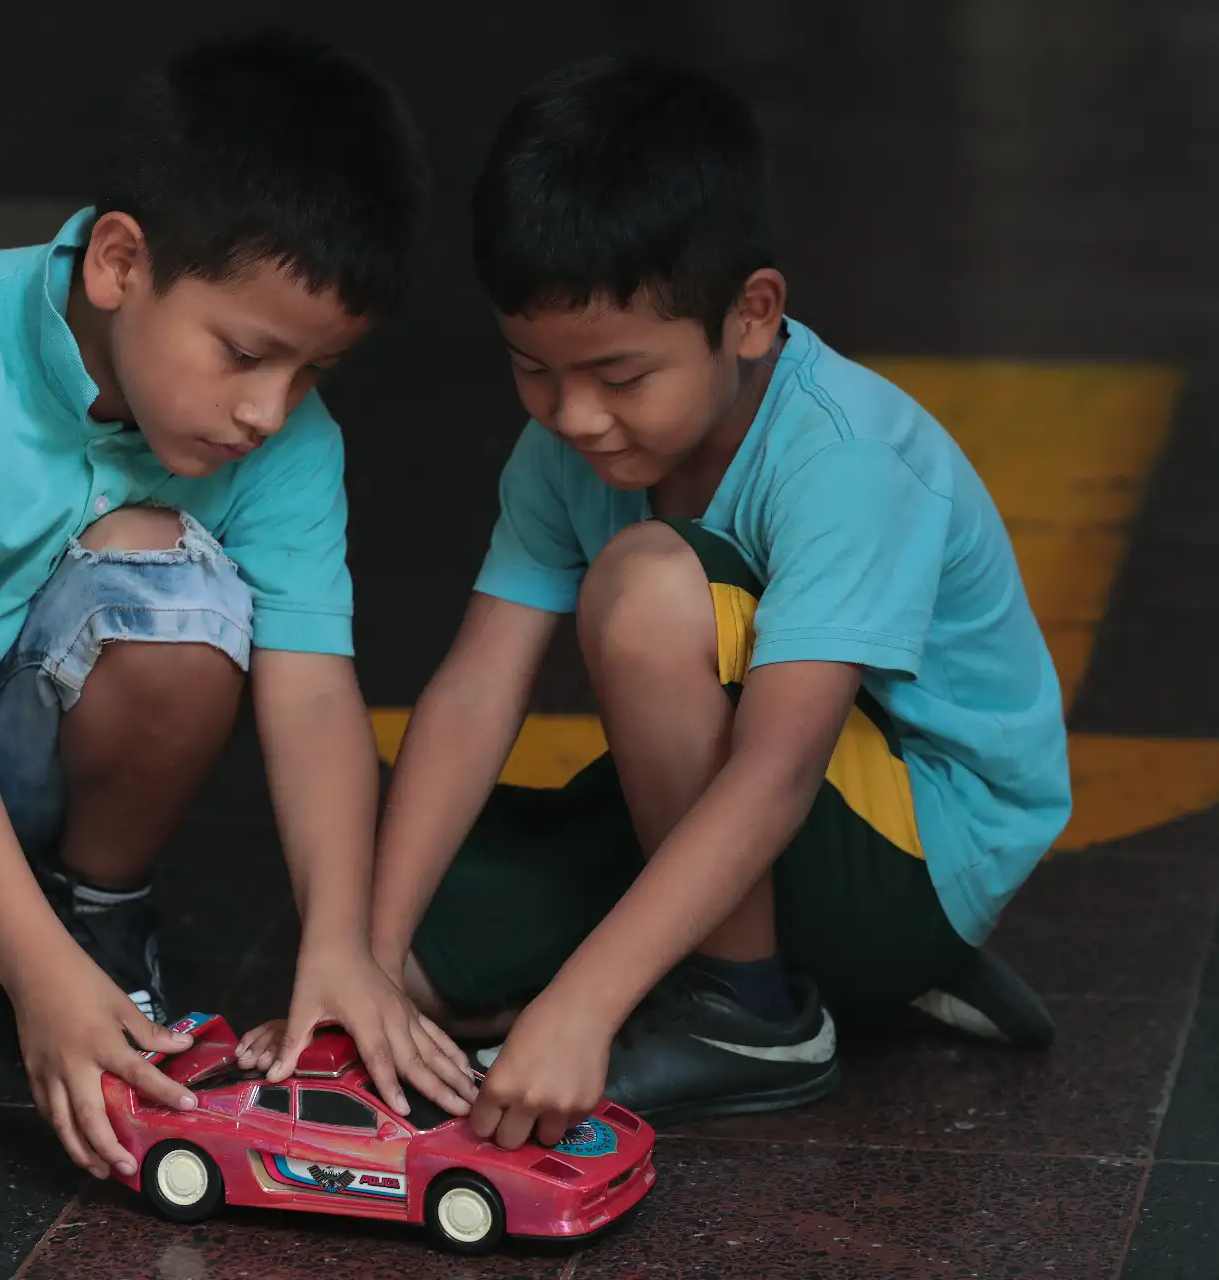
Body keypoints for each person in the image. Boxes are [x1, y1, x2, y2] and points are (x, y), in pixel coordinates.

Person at [243, 54, 1072, 1148]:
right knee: (399, 948)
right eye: (532, 367)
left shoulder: (849, 462)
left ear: (752, 315)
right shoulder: (573, 445)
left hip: (912, 837)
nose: (576, 415)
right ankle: (800, 968)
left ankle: (751, 1009)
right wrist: (371, 956)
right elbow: (476, 690)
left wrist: (579, 1007)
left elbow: (776, 772)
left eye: (621, 376)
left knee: (646, 592)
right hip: (740, 798)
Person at [0, 32, 475, 1183]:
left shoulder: (286, 439)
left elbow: (312, 694)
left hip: (17, 755)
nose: (269, 409)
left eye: (311, 373)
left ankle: (96, 902)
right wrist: (36, 978)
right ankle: (3, 928)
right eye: (246, 353)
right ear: (119, 263)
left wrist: (344, 942)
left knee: (176, 586)